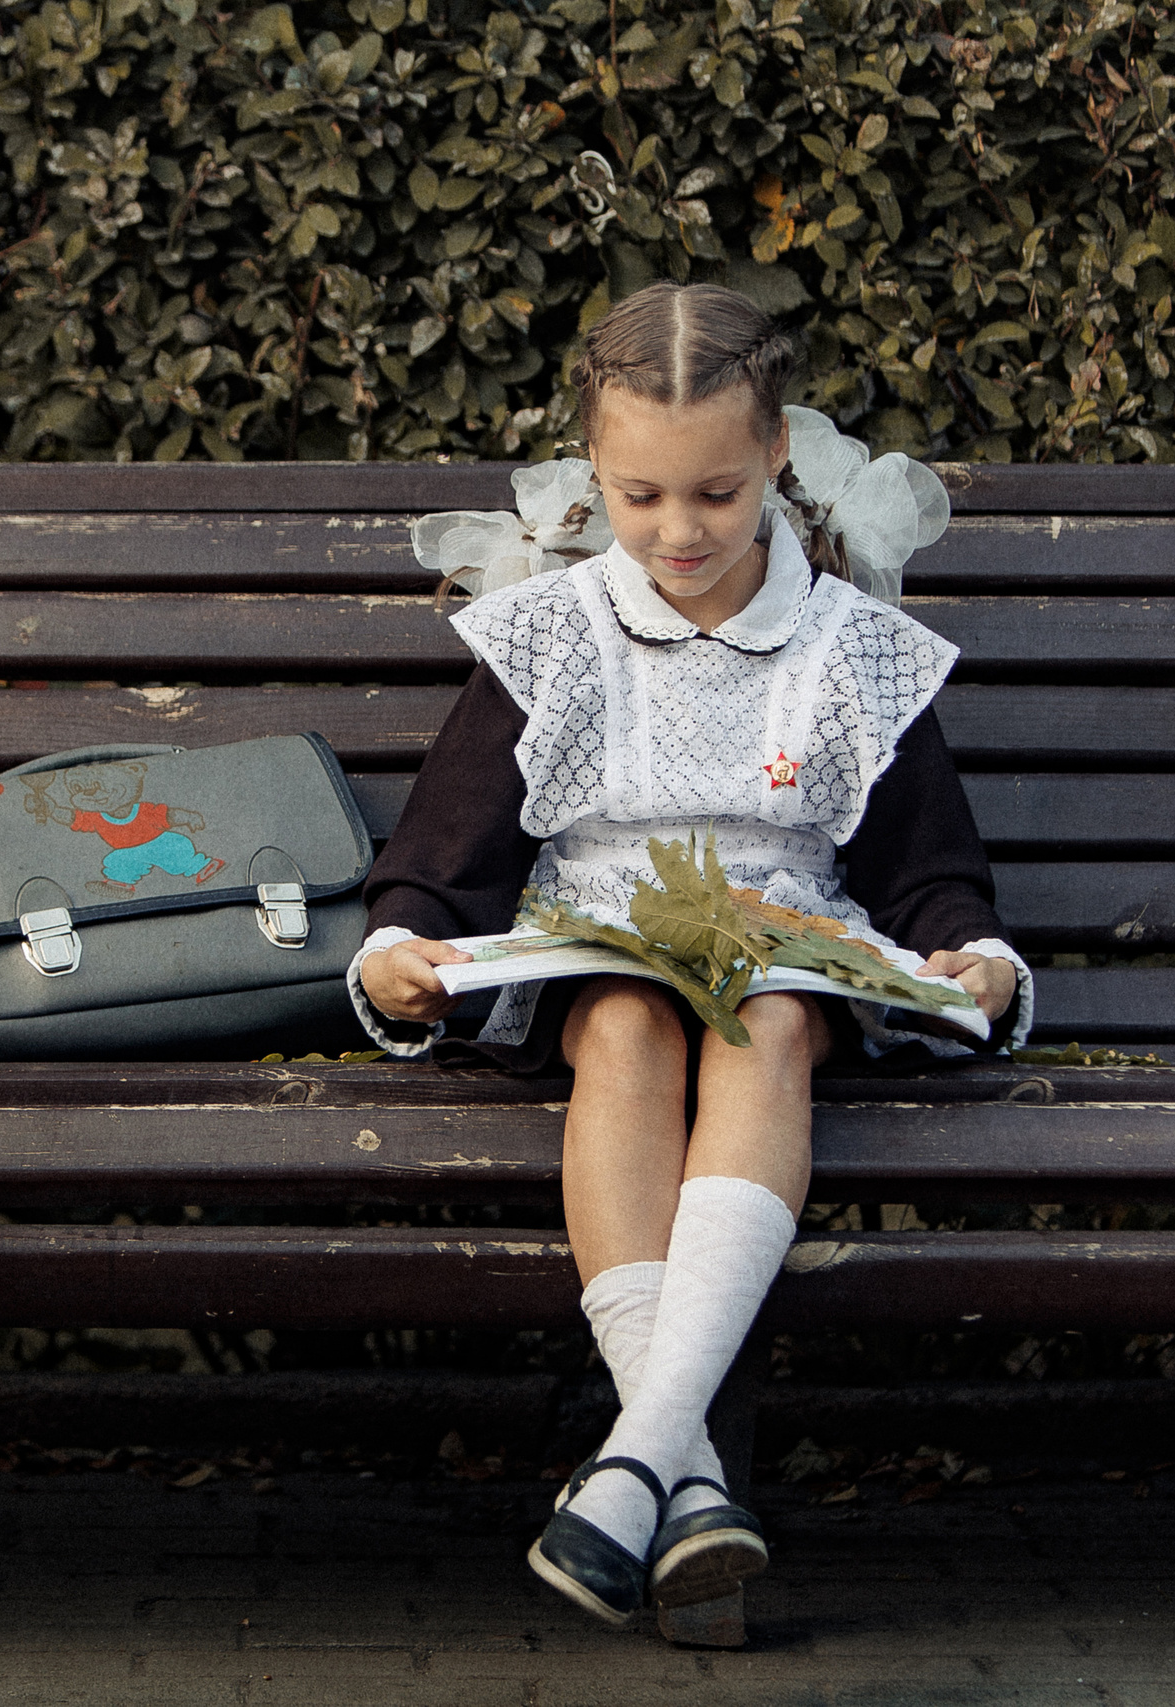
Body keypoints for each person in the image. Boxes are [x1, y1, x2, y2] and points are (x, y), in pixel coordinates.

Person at [345, 281, 1033, 1630]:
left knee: (763, 1018)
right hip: (601, 947)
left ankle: (634, 1467)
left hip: (784, 954)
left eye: (717, 494)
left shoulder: (848, 651)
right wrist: (394, 953)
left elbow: (929, 871)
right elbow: (439, 857)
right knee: (623, 1019)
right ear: (593, 468)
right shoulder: (554, 635)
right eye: (641, 495)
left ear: (776, 453)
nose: (678, 531)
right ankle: (681, 1468)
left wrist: (976, 958)